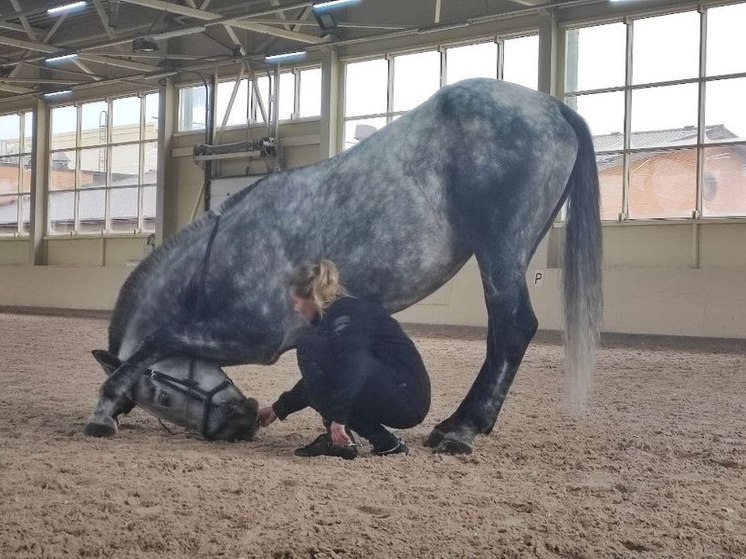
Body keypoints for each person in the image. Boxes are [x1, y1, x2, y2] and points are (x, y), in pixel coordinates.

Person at [257, 259, 431, 459]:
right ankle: (385, 442)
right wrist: (279, 408)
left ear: (312, 297)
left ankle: (339, 441)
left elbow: (355, 365)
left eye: (295, 302)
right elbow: (321, 383)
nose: (295, 309)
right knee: (331, 376)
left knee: (308, 347)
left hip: (404, 398)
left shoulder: (345, 315)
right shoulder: (342, 313)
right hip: (404, 396)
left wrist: (337, 419)